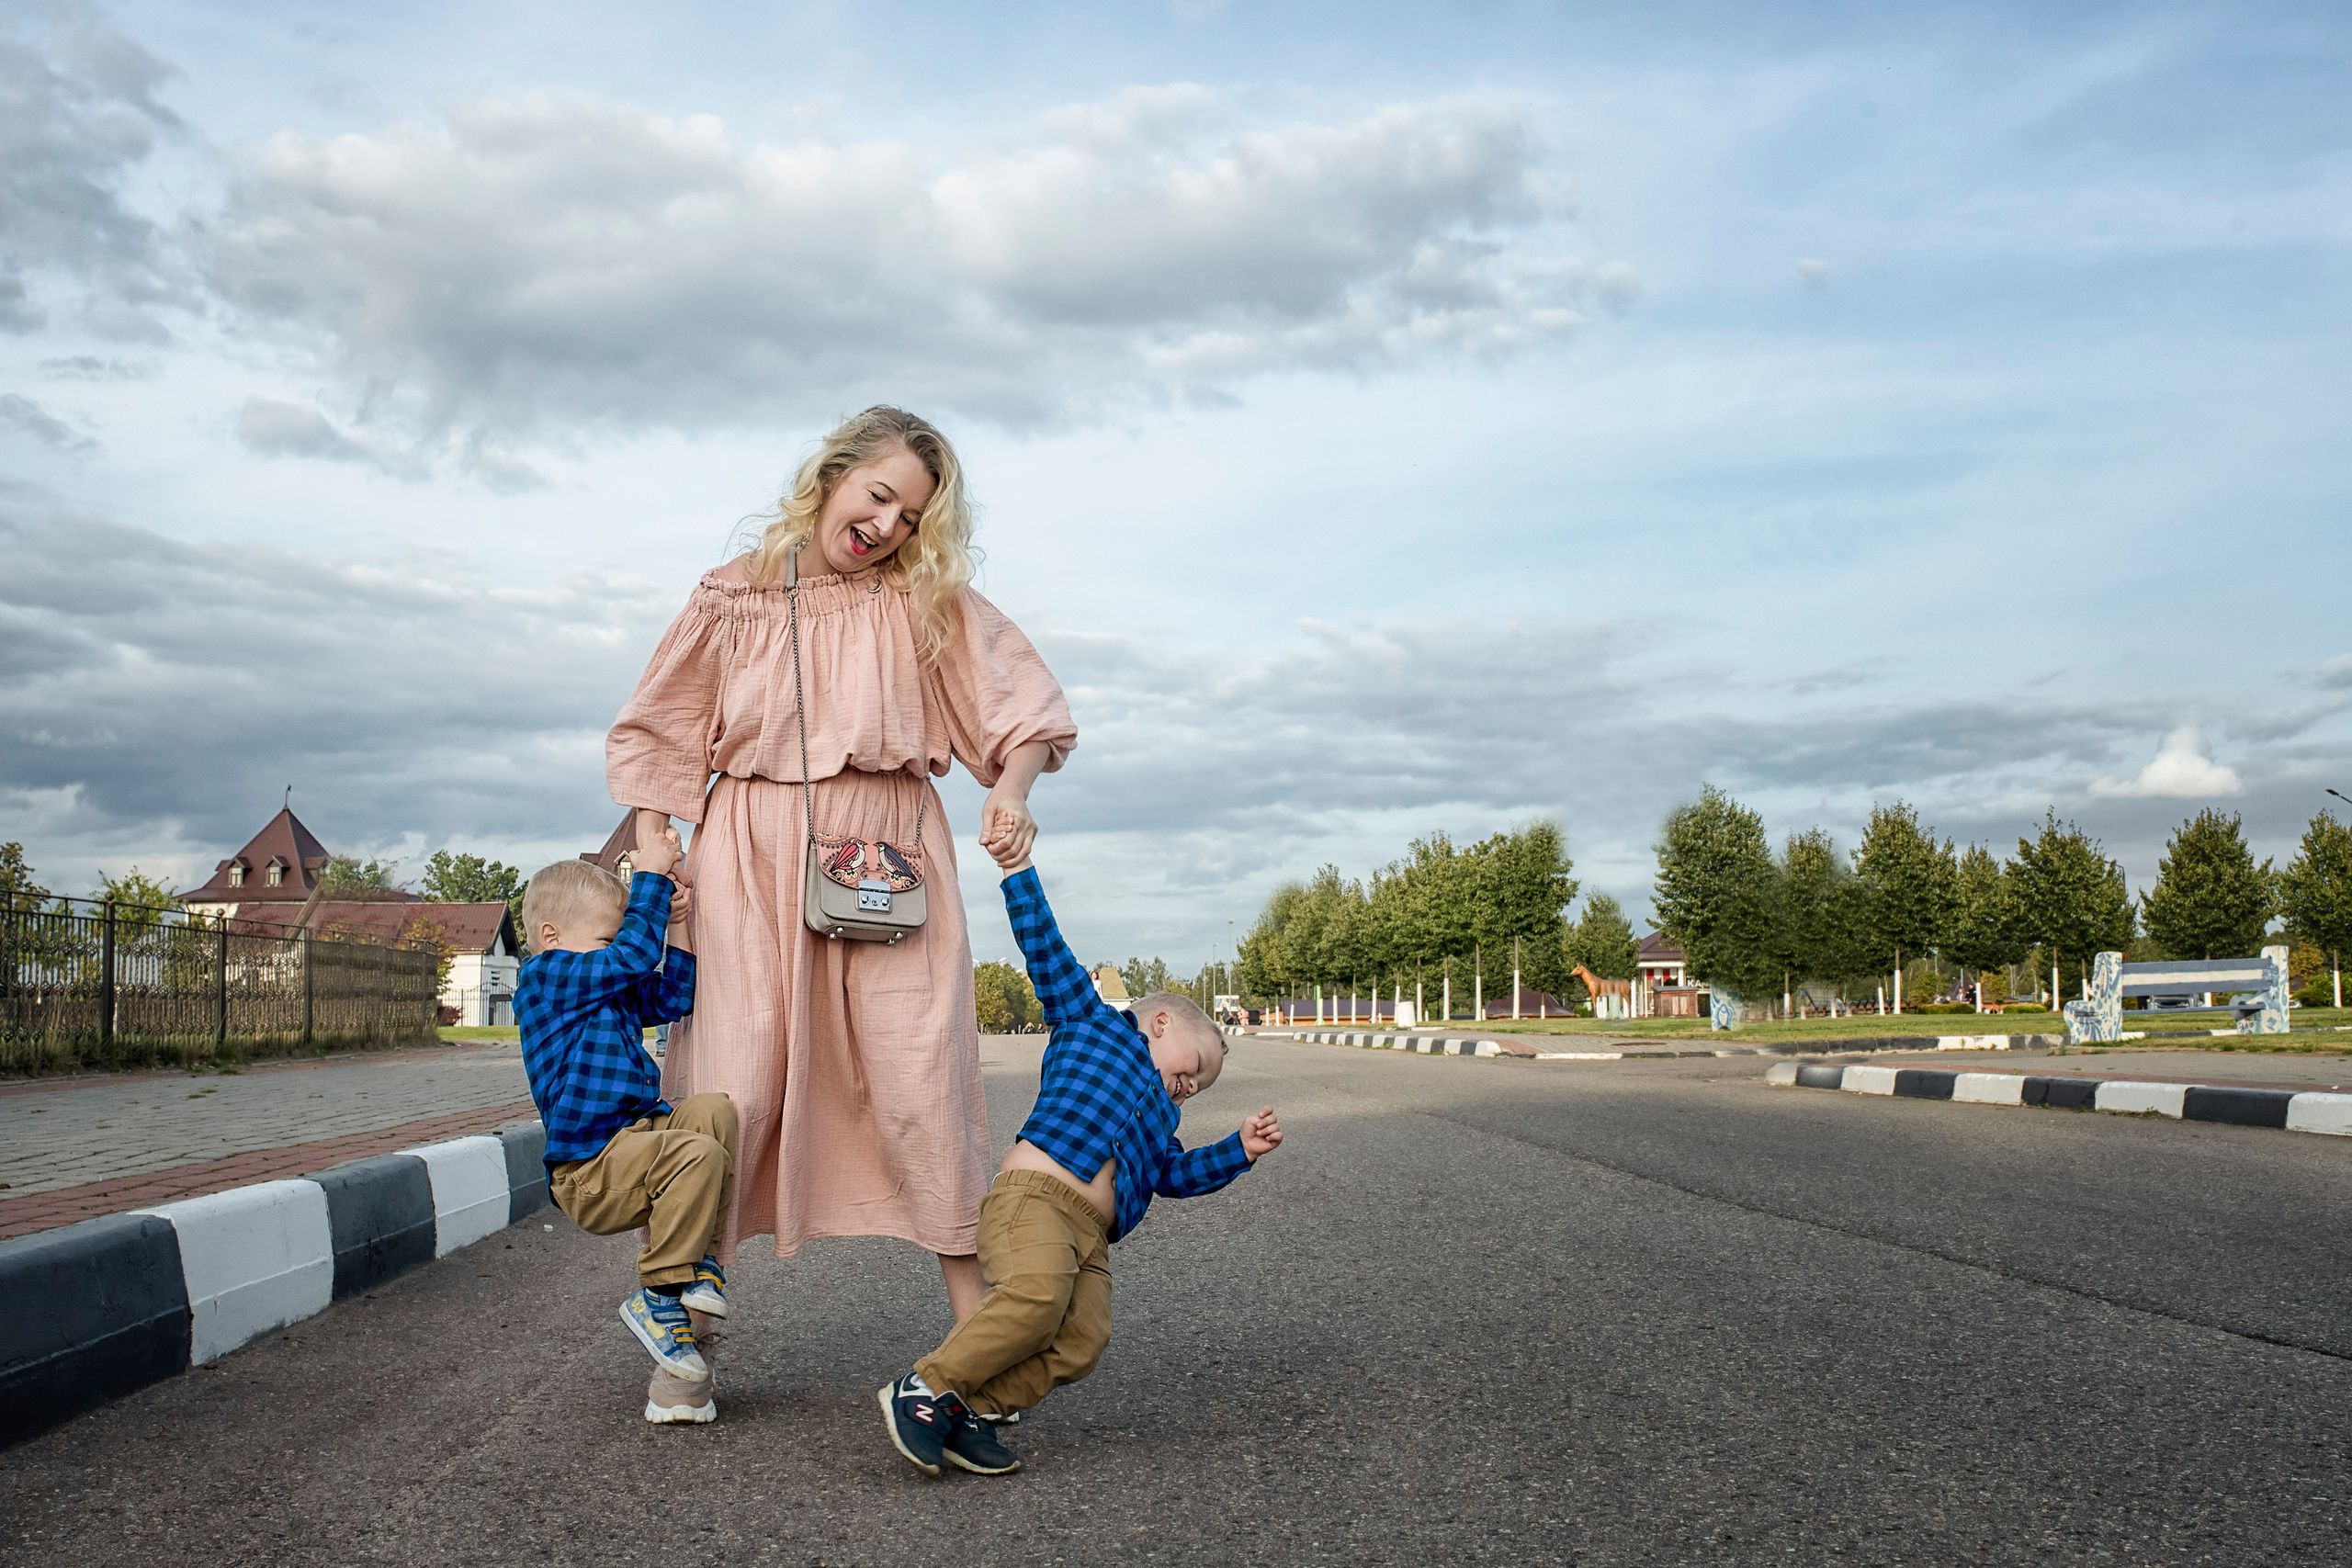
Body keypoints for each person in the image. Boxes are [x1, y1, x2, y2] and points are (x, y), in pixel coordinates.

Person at [606, 406, 1077, 1323]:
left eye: (912, 518)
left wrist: (1013, 790)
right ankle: (684, 1328)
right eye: (880, 496)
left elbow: (1021, 708)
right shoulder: (730, 597)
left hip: (888, 853)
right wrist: (654, 840)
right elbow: (659, 726)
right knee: (729, 1086)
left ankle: (982, 1337)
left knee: (919, 1079)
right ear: (832, 475)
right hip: (747, 852)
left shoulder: (919, 597)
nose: (889, 528)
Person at [877, 836, 1284, 1477]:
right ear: (1160, 1024)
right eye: (1193, 1068)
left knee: (1083, 1340)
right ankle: (924, 1386)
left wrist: (1239, 1149)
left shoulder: (1163, 1116)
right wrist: (1016, 866)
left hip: (1091, 1236)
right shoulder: (1090, 1023)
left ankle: (964, 1409)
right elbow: (1045, 946)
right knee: (1036, 1298)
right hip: (1034, 1202)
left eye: (1198, 1089)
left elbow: (1172, 1174)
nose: (1188, 1086)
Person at [512, 839, 738, 1423]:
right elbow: (633, 959)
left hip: (635, 1142)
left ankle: (696, 1265)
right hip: (590, 1168)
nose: (616, 950)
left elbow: (671, 994)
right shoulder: (546, 979)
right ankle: (657, 1294)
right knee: (695, 1155)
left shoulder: (599, 983)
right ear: (551, 935)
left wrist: (679, 927)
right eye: (606, 939)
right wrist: (652, 883)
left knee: (713, 1111)